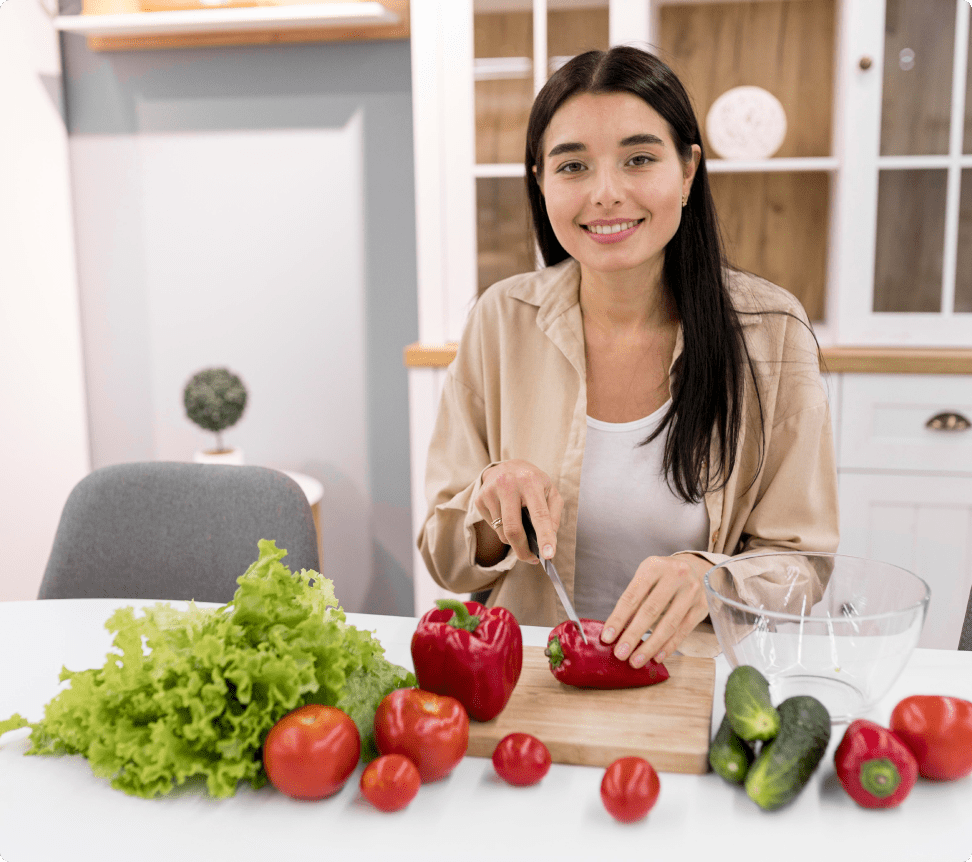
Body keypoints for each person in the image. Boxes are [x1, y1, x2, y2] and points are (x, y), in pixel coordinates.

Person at [418, 46, 838, 668]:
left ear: (689, 170)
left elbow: (804, 564)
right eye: (573, 167)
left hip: (692, 683)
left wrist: (711, 575)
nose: (606, 193)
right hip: (531, 674)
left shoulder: (770, 331)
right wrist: (488, 504)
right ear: (541, 181)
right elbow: (444, 559)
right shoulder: (501, 319)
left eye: (639, 159)